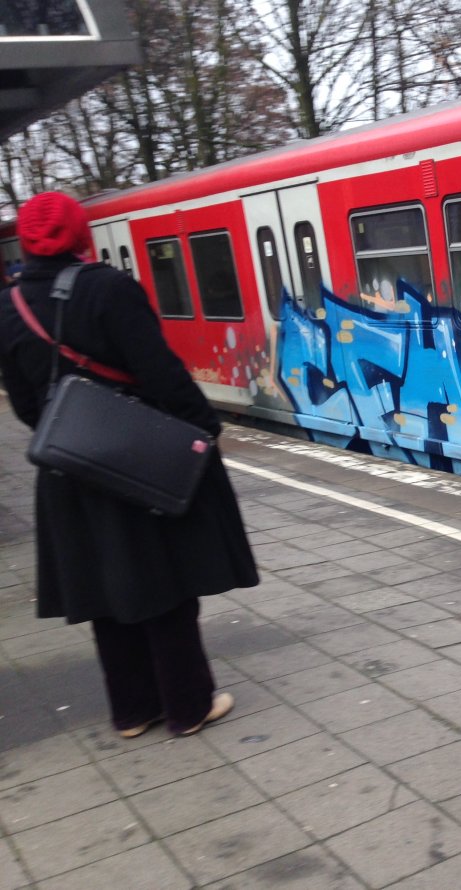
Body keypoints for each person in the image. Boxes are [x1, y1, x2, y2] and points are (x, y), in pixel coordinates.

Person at [0, 191, 259, 738]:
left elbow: (25, 403)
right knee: (164, 583)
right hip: (137, 459)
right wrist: (203, 432)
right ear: (79, 234)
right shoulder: (109, 288)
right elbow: (162, 375)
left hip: (68, 468)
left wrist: (72, 433)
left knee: (103, 589)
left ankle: (133, 712)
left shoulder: (8, 305)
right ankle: (188, 706)